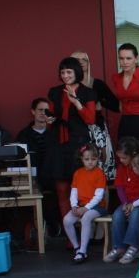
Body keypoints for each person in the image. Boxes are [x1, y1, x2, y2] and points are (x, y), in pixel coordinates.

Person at [50, 56, 98, 212]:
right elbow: (51, 115)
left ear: (77, 72)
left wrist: (76, 102)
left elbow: (90, 119)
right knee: (61, 189)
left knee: (82, 188)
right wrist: (49, 119)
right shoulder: (54, 92)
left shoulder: (88, 92)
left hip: (79, 144)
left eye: (69, 72)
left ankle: (84, 223)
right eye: (62, 72)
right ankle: (67, 225)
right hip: (59, 143)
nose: (65, 76)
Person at [16, 97, 62, 238]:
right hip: (32, 179)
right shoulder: (23, 135)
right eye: (40, 110)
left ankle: (54, 227)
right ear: (33, 112)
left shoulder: (55, 134)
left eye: (46, 110)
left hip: (52, 179)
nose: (43, 113)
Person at [104, 138, 139, 264]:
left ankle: (134, 247)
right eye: (120, 158)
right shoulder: (122, 168)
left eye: (124, 158)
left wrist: (133, 205)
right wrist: (125, 204)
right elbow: (120, 188)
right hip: (127, 203)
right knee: (117, 215)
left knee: (135, 215)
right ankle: (119, 247)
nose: (121, 160)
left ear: (133, 154)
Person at [62, 145, 106, 264]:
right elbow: (74, 192)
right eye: (87, 159)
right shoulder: (78, 173)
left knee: (86, 218)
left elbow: (98, 196)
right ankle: (77, 248)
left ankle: (83, 250)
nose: (90, 162)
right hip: (81, 205)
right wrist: (74, 206)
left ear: (97, 159)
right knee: (67, 220)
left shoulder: (99, 173)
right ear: (82, 159)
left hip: (97, 206)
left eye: (93, 159)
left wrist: (86, 208)